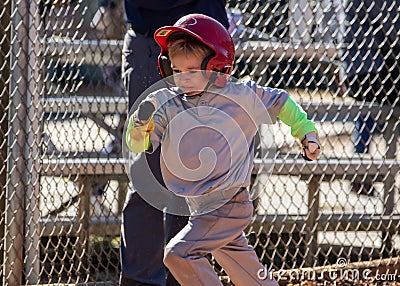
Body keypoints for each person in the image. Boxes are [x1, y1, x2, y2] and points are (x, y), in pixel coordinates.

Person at [125, 14, 321, 285]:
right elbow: (139, 144)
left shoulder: (239, 95)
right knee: (242, 265)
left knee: (178, 254)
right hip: (201, 207)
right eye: (177, 71)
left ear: (217, 66)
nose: (183, 79)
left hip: (229, 203)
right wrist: (141, 124)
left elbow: (282, 103)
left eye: (191, 71)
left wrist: (306, 132)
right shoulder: (168, 104)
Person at [119, 2, 230, 285]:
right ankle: (141, 280)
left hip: (210, 49)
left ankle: (184, 276)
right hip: (156, 42)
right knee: (151, 171)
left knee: (195, 170)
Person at [343, 0, 400, 196]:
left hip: (359, 68)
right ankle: (362, 174)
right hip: (373, 68)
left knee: (366, 113)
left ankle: (360, 174)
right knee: (370, 110)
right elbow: (393, 29)